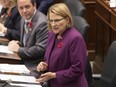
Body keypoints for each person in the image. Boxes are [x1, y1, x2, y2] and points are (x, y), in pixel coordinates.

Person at [36, 3, 88, 87]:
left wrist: (54, 75)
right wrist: (45, 65)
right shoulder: (52, 34)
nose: (53, 24)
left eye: (57, 20)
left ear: (67, 19)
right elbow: (52, 57)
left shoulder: (75, 38)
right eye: (51, 20)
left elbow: (77, 69)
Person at [8, 0, 48, 76]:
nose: (24, 11)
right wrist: (17, 43)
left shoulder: (42, 23)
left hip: (34, 67)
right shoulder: (23, 19)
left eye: (27, 7)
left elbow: (40, 49)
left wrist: (18, 49)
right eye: (21, 8)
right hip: (22, 61)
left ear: (34, 5)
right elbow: (28, 42)